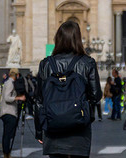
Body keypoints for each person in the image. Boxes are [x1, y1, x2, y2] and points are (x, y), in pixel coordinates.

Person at [35, 19, 102, 157]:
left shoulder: (45, 64)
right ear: (78, 39)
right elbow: (96, 95)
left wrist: (38, 130)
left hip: (53, 128)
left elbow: (39, 100)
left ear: (58, 39)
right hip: (79, 128)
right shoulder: (87, 62)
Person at [0, 69, 25, 158]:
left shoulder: (7, 82)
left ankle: (6, 153)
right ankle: (7, 153)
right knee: (9, 134)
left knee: (6, 134)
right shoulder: (10, 83)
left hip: (6, 111)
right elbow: (7, 97)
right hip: (9, 112)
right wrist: (18, 98)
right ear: (16, 75)